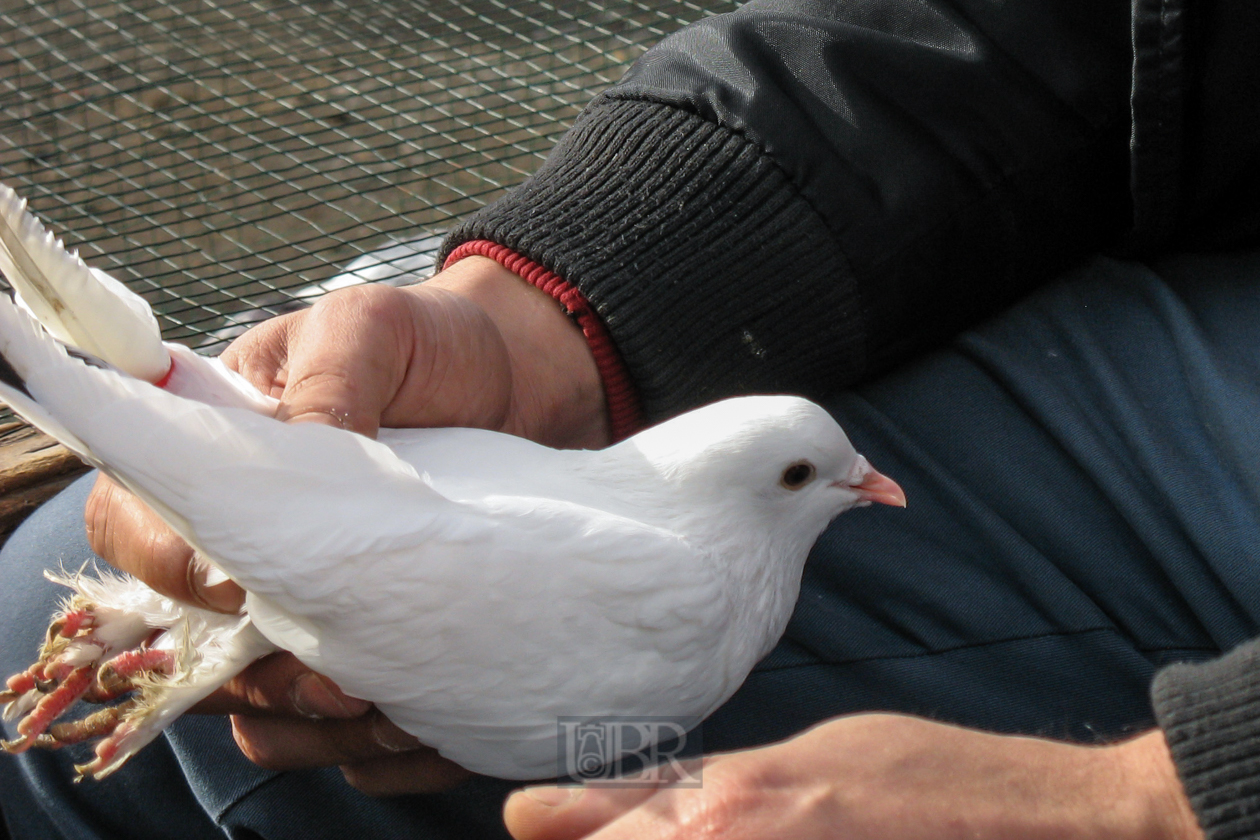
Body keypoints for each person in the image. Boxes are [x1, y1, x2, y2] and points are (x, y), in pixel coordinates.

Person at [2, 0, 1259, 837]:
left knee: (174, 746)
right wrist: (556, 315)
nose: (864, 488)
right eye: (820, 475)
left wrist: (1153, 796)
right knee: (46, 591)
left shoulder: (688, 601)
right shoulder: (687, 633)